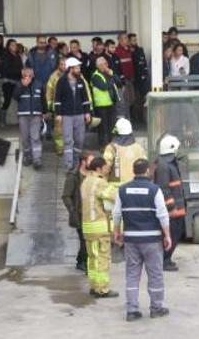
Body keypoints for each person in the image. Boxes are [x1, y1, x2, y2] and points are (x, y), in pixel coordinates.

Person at [112, 159, 172, 322]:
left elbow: (116, 214)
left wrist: (117, 232)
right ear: (147, 171)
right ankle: (156, 308)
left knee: (132, 274)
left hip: (131, 240)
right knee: (155, 275)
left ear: (134, 171)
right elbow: (162, 214)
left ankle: (132, 310)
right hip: (152, 240)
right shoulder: (154, 190)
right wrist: (167, 235)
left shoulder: (122, 190)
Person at [80, 157, 118, 298]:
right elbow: (114, 196)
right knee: (102, 258)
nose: (107, 169)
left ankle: (93, 286)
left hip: (88, 227)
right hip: (99, 228)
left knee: (92, 258)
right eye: (105, 167)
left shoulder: (85, 182)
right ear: (98, 169)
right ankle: (102, 289)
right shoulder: (99, 182)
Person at [154, 135, 187, 271]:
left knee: (176, 233)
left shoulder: (169, 164)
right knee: (172, 234)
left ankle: (167, 258)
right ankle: (164, 260)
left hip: (177, 209)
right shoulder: (164, 166)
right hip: (172, 211)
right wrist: (171, 207)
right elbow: (164, 189)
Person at [54, 58, 92, 170]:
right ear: (70, 69)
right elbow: (57, 99)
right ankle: (69, 164)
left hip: (80, 114)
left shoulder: (80, 80)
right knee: (68, 140)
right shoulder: (61, 81)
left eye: (79, 67)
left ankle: (76, 160)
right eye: (77, 68)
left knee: (80, 140)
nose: (79, 69)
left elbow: (85, 98)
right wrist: (58, 114)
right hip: (66, 115)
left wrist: (87, 112)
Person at [61, 152, 94, 272]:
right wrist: (72, 210)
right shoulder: (73, 176)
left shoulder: (93, 175)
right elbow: (66, 196)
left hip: (91, 213)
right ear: (83, 162)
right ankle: (85, 263)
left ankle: (80, 260)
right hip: (79, 214)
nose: (93, 163)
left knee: (86, 239)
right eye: (90, 160)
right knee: (84, 239)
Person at [13, 68, 45, 169]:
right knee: (25, 137)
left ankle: (37, 159)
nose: (28, 77)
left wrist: (44, 112)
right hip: (23, 115)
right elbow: (15, 97)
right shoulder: (19, 84)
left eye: (30, 75)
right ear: (22, 75)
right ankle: (28, 156)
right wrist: (23, 86)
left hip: (36, 115)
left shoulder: (39, 84)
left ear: (33, 75)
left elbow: (43, 99)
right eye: (25, 75)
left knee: (35, 137)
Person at [103, 118, 146, 185]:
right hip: (135, 184)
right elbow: (144, 166)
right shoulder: (138, 147)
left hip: (116, 187)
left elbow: (105, 168)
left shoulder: (111, 148)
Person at [91, 56, 121, 147]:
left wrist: (112, 75)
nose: (106, 66)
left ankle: (112, 145)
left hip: (111, 104)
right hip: (101, 106)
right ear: (99, 66)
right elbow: (104, 87)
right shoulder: (95, 76)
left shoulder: (110, 73)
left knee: (112, 126)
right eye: (104, 64)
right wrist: (112, 80)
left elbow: (119, 83)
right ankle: (103, 146)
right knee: (103, 128)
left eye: (106, 63)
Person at [0, 39, 24, 126]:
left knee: (20, 100)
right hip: (8, 81)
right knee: (7, 101)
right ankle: (2, 120)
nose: (14, 46)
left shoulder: (17, 56)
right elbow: (6, 69)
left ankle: (20, 120)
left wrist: (21, 74)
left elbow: (21, 67)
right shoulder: (6, 56)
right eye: (12, 45)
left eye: (15, 45)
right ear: (8, 46)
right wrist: (19, 72)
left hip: (17, 81)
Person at [46, 57, 68, 155]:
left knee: (71, 128)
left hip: (71, 107)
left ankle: (69, 148)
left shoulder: (73, 74)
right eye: (61, 64)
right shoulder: (54, 76)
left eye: (65, 64)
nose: (64, 66)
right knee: (59, 130)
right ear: (58, 65)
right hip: (58, 107)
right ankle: (60, 149)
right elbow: (49, 92)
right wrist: (49, 106)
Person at [127, 33, 149, 123]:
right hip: (133, 79)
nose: (135, 42)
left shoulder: (140, 50)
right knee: (133, 100)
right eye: (133, 40)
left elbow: (143, 63)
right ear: (129, 41)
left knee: (143, 99)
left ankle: (142, 118)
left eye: (135, 40)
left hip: (142, 79)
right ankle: (135, 118)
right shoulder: (128, 52)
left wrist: (145, 74)